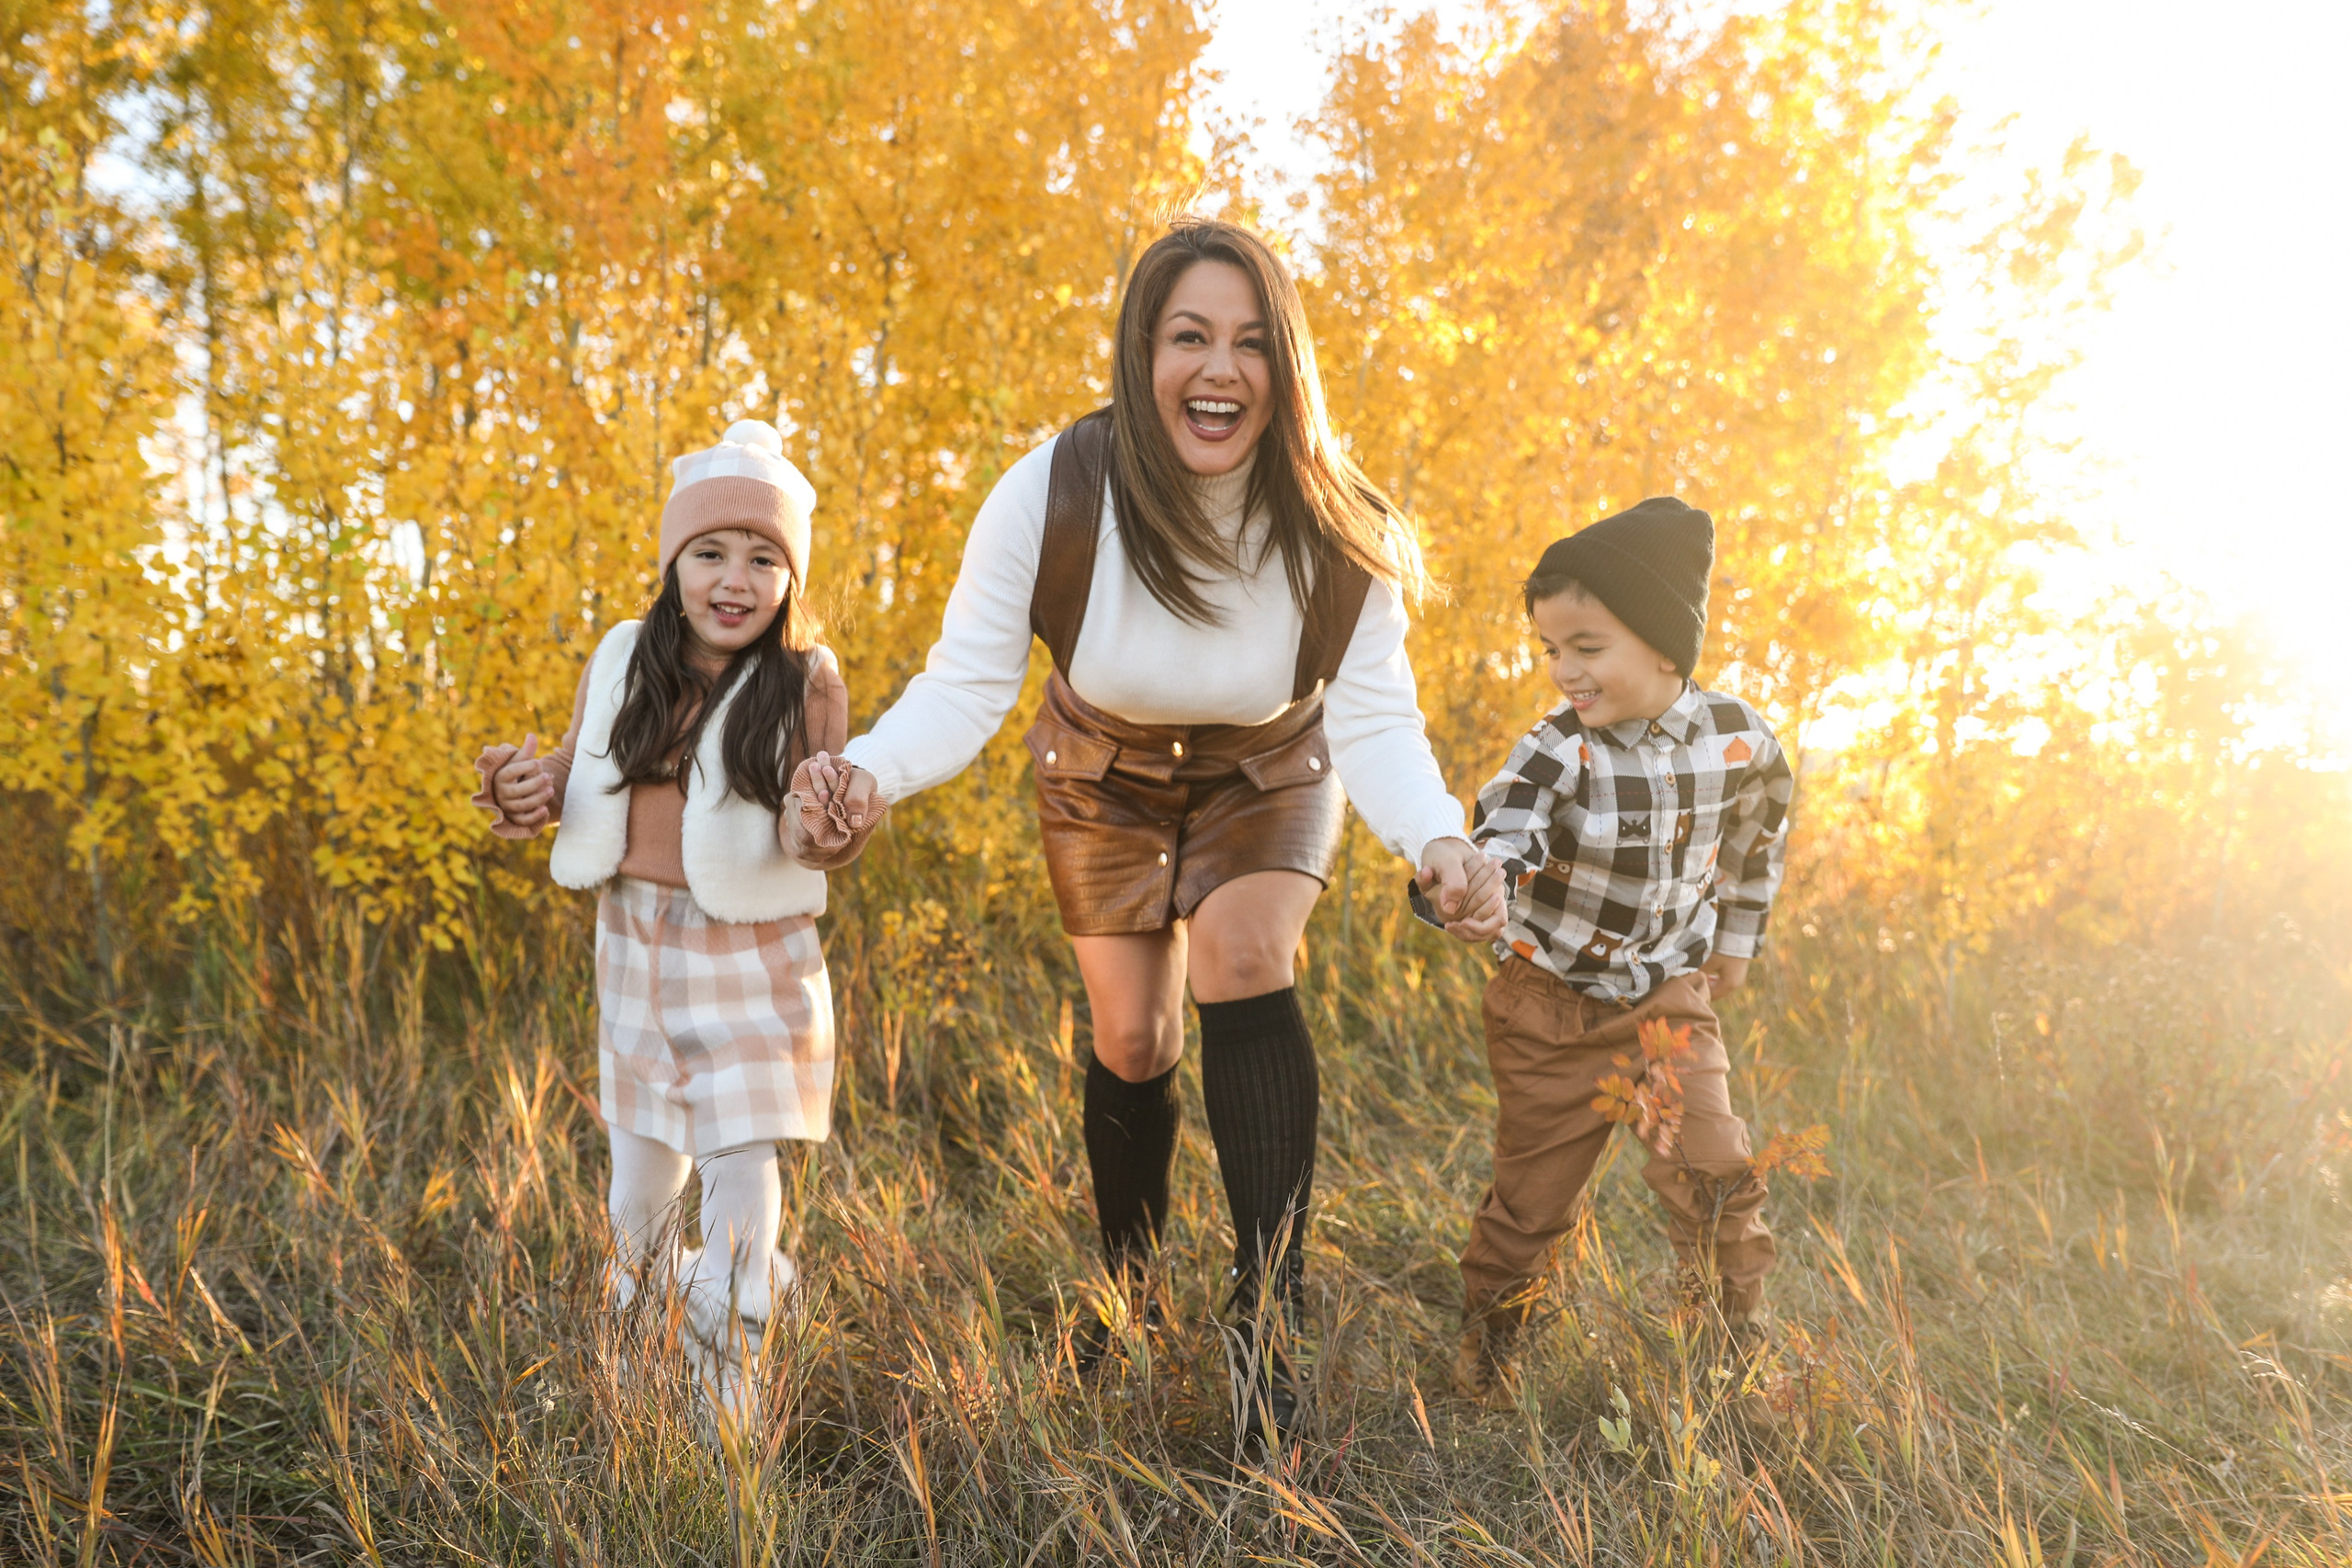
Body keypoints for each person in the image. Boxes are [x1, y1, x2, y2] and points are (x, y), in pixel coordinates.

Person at [808, 218, 1505, 1449]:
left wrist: (1438, 840)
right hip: (1103, 775)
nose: (1218, 369)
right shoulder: (1056, 487)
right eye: (1189, 337)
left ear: (1285, 367)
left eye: (1249, 342)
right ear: (1144, 351)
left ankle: (1269, 1315)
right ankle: (1124, 1281)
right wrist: (866, 773)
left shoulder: (1339, 522)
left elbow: (1378, 716)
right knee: (1131, 1035)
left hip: (1266, 770)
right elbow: (967, 685)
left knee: (1244, 955)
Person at [471, 419, 880, 1426]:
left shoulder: (805, 678)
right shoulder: (623, 656)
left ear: (790, 577)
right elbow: (574, 772)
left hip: (752, 946)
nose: (733, 579)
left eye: (762, 559)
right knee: (642, 1163)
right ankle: (641, 1349)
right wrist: (530, 788)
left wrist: (826, 825)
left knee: (744, 1155)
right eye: (709, 554)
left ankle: (731, 1367)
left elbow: (821, 813)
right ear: (674, 564)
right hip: (635, 941)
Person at [1450, 498, 1793, 1406]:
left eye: (1585, 647)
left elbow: (1758, 840)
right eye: (1549, 650)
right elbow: (1505, 830)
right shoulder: (1557, 752)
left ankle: (1731, 1358)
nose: (1563, 669)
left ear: (1661, 645)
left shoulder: (1739, 738)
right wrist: (1478, 887)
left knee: (1714, 1169)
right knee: (1532, 1207)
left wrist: (1735, 940)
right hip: (1549, 1010)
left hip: (1667, 1005)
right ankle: (1488, 1358)